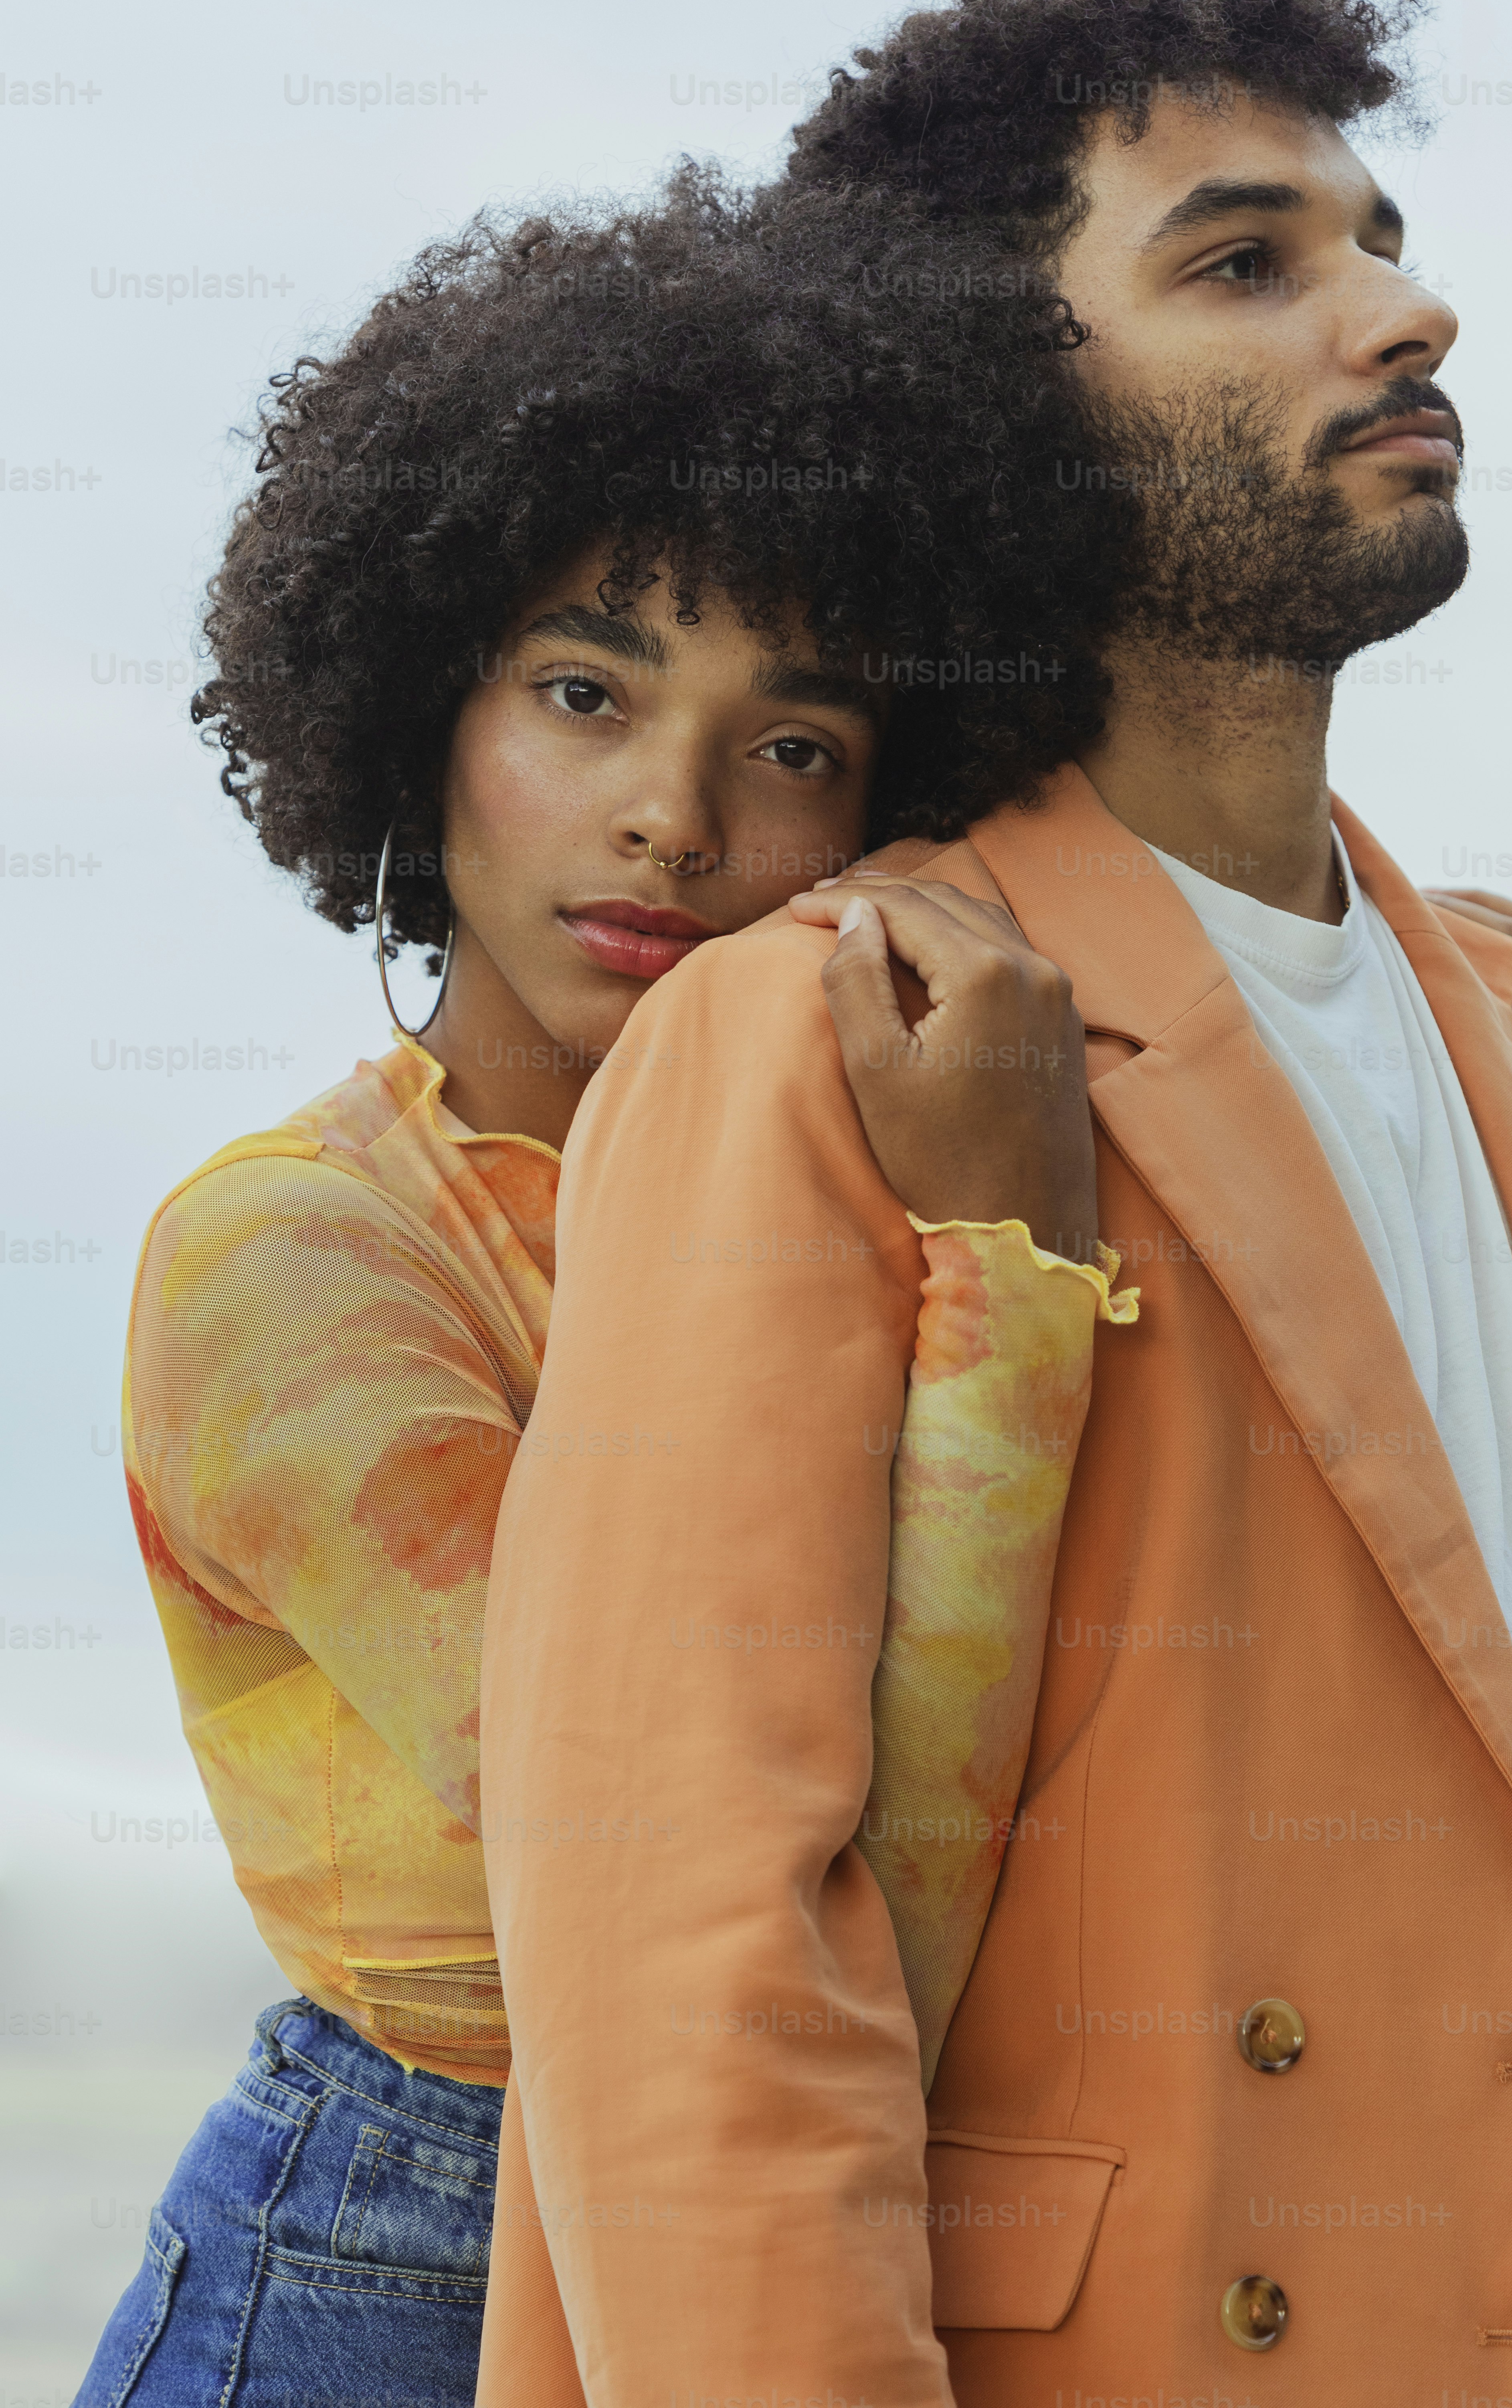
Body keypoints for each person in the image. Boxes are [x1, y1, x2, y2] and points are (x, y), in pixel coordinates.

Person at [477, 0, 1512, 2408]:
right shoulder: (826, 1026)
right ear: (986, 405)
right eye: (1244, 262)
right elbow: (685, 1958)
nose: (1402, 301)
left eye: (1377, 234)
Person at [76, 182, 1138, 2408]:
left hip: (823, 2214)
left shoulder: (854, 1172)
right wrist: (1011, 1278)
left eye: (791, 744)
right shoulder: (296, 1258)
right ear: (417, 710)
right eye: (583, 690)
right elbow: (707, 1883)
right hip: (393, 2250)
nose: (669, 817)